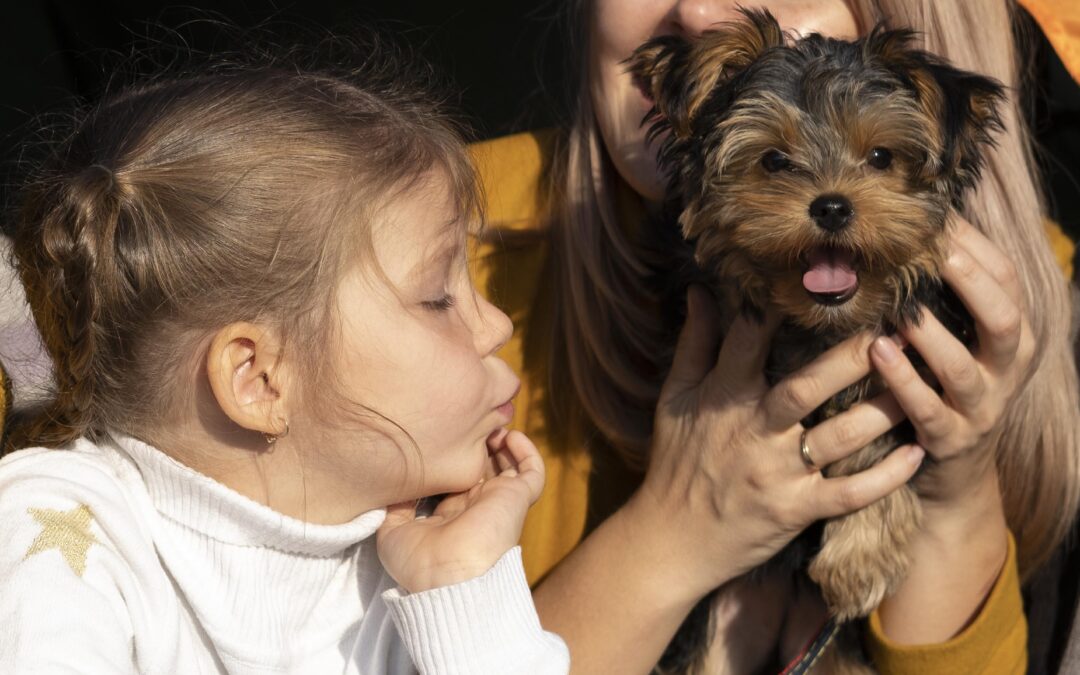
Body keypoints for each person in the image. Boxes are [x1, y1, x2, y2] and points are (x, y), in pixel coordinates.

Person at [468, 0, 1080, 672]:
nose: (701, 11)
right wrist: (674, 531)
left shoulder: (1054, 303)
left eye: (877, 156)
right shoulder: (442, 245)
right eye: (775, 161)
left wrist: (954, 495)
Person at [0, 51, 570, 673]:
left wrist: (465, 587)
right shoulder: (59, 527)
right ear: (260, 379)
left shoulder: (425, 557)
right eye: (437, 298)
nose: (497, 325)